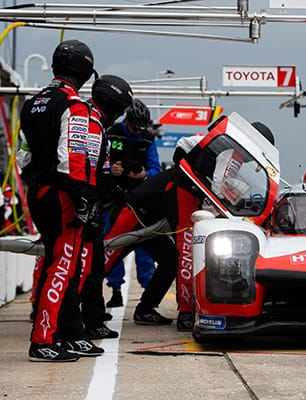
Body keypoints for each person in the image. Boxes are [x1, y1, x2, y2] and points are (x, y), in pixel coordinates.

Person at [101, 119, 275, 331]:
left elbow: (194, 157)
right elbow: (221, 187)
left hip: (154, 216)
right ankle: (184, 313)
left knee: (170, 261)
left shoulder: (213, 148)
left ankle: (145, 309)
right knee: (105, 260)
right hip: (135, 211)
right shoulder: (231, 153)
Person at [19, 39, 104, 362]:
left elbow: (23, 158)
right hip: (64, 196)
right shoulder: (74, 106)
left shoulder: (32, 103)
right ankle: (43, 340)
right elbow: (73, 159)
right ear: (83, 71)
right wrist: (85, 198)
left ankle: (63, 334)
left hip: (38, 193)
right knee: (62, 267)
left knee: (54, 264)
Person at [78, 75, 134, 340]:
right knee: (89, 268)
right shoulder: (91, 123)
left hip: (91, 203)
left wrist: (112, 191)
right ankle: (83, 324)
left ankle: (90, 320)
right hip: (84, 206)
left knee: (93, 266)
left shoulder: (93, 120)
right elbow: (87, 169)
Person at [104, 98, 160, 308]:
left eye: (141, 129)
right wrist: (112, 170)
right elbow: (99, 161)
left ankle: (148, 293)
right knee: (113, 244)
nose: (138, 132)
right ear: (127, 122)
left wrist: (145, 175)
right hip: (112, 198)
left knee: (144, 245)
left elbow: (155, 169)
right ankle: (115, 289)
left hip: (139, 198)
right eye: (135, 128)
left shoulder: (147, 138)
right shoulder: (112, 134)